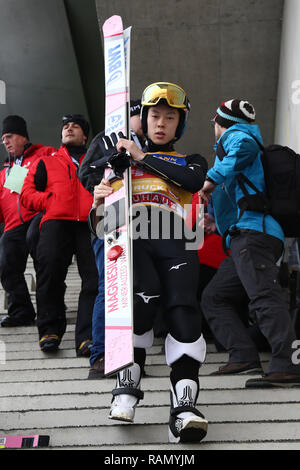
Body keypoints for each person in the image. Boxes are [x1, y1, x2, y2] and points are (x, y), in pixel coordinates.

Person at [92, 82, 208, 443]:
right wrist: (98, 202)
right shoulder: (118, 167)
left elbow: (192, 180)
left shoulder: (190, 160)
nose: (161, 123)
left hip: (176, 240)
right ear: (143, 118)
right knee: (142, 302)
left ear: (180, 125)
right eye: (154, 115)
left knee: (185, 313)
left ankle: (184, 409)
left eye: (170, 118)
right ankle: (125, 391)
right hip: (135, 237)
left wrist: (141, 157)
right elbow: (100, 226)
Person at [200, 99, 300, 388]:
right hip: (244, 236)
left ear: (221, 122)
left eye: (214, 123)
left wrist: (209, 180)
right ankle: (243, 354)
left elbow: (243, 146)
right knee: (214, 297)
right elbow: (238, 197)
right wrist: (214, 224)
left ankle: (288, 364)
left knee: (263, 296)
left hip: (255, 235)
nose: (214, 128)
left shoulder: (237, 137)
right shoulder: (233, 152)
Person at [20, 114, 98, 355]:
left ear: (85, 135)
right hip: (55, 222)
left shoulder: (97, 161)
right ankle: (49, 330)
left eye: (75, 126)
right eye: (65, 126)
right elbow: (26, 194)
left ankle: (87, 336)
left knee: (94, 279)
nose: (68, 129)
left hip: (89, 223)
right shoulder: (46, 161)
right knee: (49, 274)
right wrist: (48, 201)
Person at [78, 100, 145, 379]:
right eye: (144, 114)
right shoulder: (106, 138)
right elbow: (86, 173)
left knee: (139, 287)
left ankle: (132, 355)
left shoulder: (149, 145)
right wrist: (114, 165)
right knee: (110, 284)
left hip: (143, 222)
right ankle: (101, 354)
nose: (152, 120)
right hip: (111, 218)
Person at [0, 115, 55, 327]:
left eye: (10, 136)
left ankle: (51, 306)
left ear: (23, 137)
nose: (5, 141)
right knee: (6, 264)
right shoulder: (4, 170)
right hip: (13, 225)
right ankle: (21, 311)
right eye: (3, 138)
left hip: (37, 216)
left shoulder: (45, 154)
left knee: (45, 263)